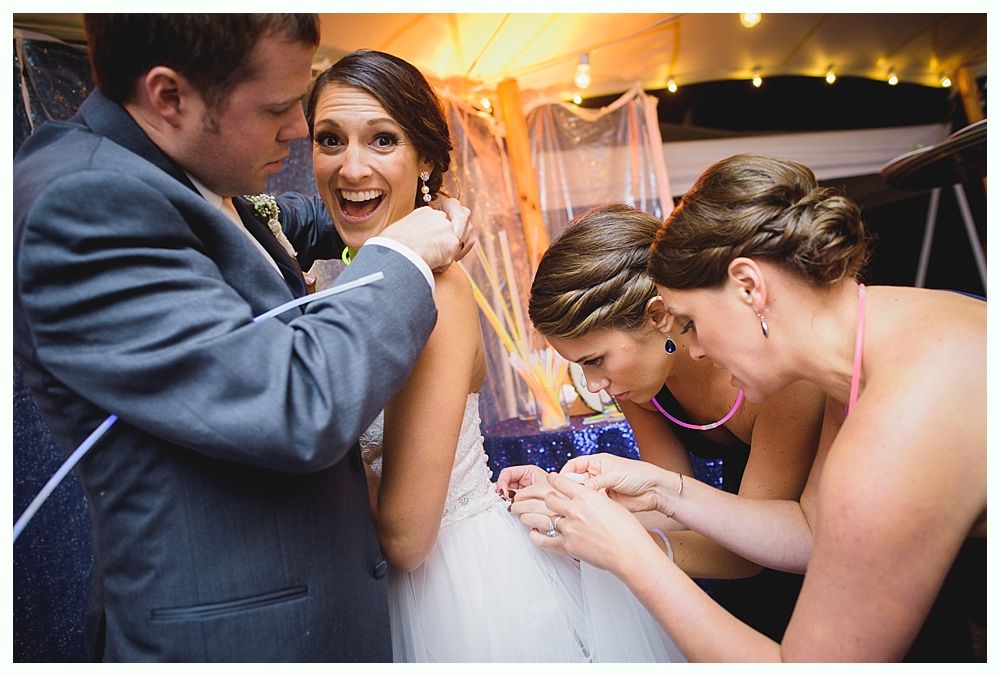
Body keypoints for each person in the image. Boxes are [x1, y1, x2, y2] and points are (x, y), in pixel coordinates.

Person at [13, 15, 472, 661]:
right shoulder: (85, 201)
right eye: (281, 109)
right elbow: (294, 405)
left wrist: (414, 210)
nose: (298, 131)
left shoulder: (178, 174)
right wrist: (401, 258)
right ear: (170, 96)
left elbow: (282, 226)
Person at [524, 154, 986, 661]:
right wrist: (662, 489)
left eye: (691, 322)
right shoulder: (865, 355)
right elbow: (812, 532)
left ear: (750, 287)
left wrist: (631, 554)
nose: (693, 349)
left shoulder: (894, 421)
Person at [306, 49, 683, 663]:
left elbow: (406, 537)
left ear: (426, 159)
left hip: (459, 593)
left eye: (381, 140)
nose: (351, 167)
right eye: (329, 139)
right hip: (371, 591)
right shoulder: (332, 277)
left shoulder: (439, 290)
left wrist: (298, 442)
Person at [499, 203, 829, 642]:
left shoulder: (775, 372)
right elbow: (666, 507)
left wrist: (626, 548)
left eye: (596, 360)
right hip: (736, 550)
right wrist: (570, 501)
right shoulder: (641, 385)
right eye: (582, 368)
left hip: (814, 562)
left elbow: (755, 551)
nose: (596, 386)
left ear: (658, 317)